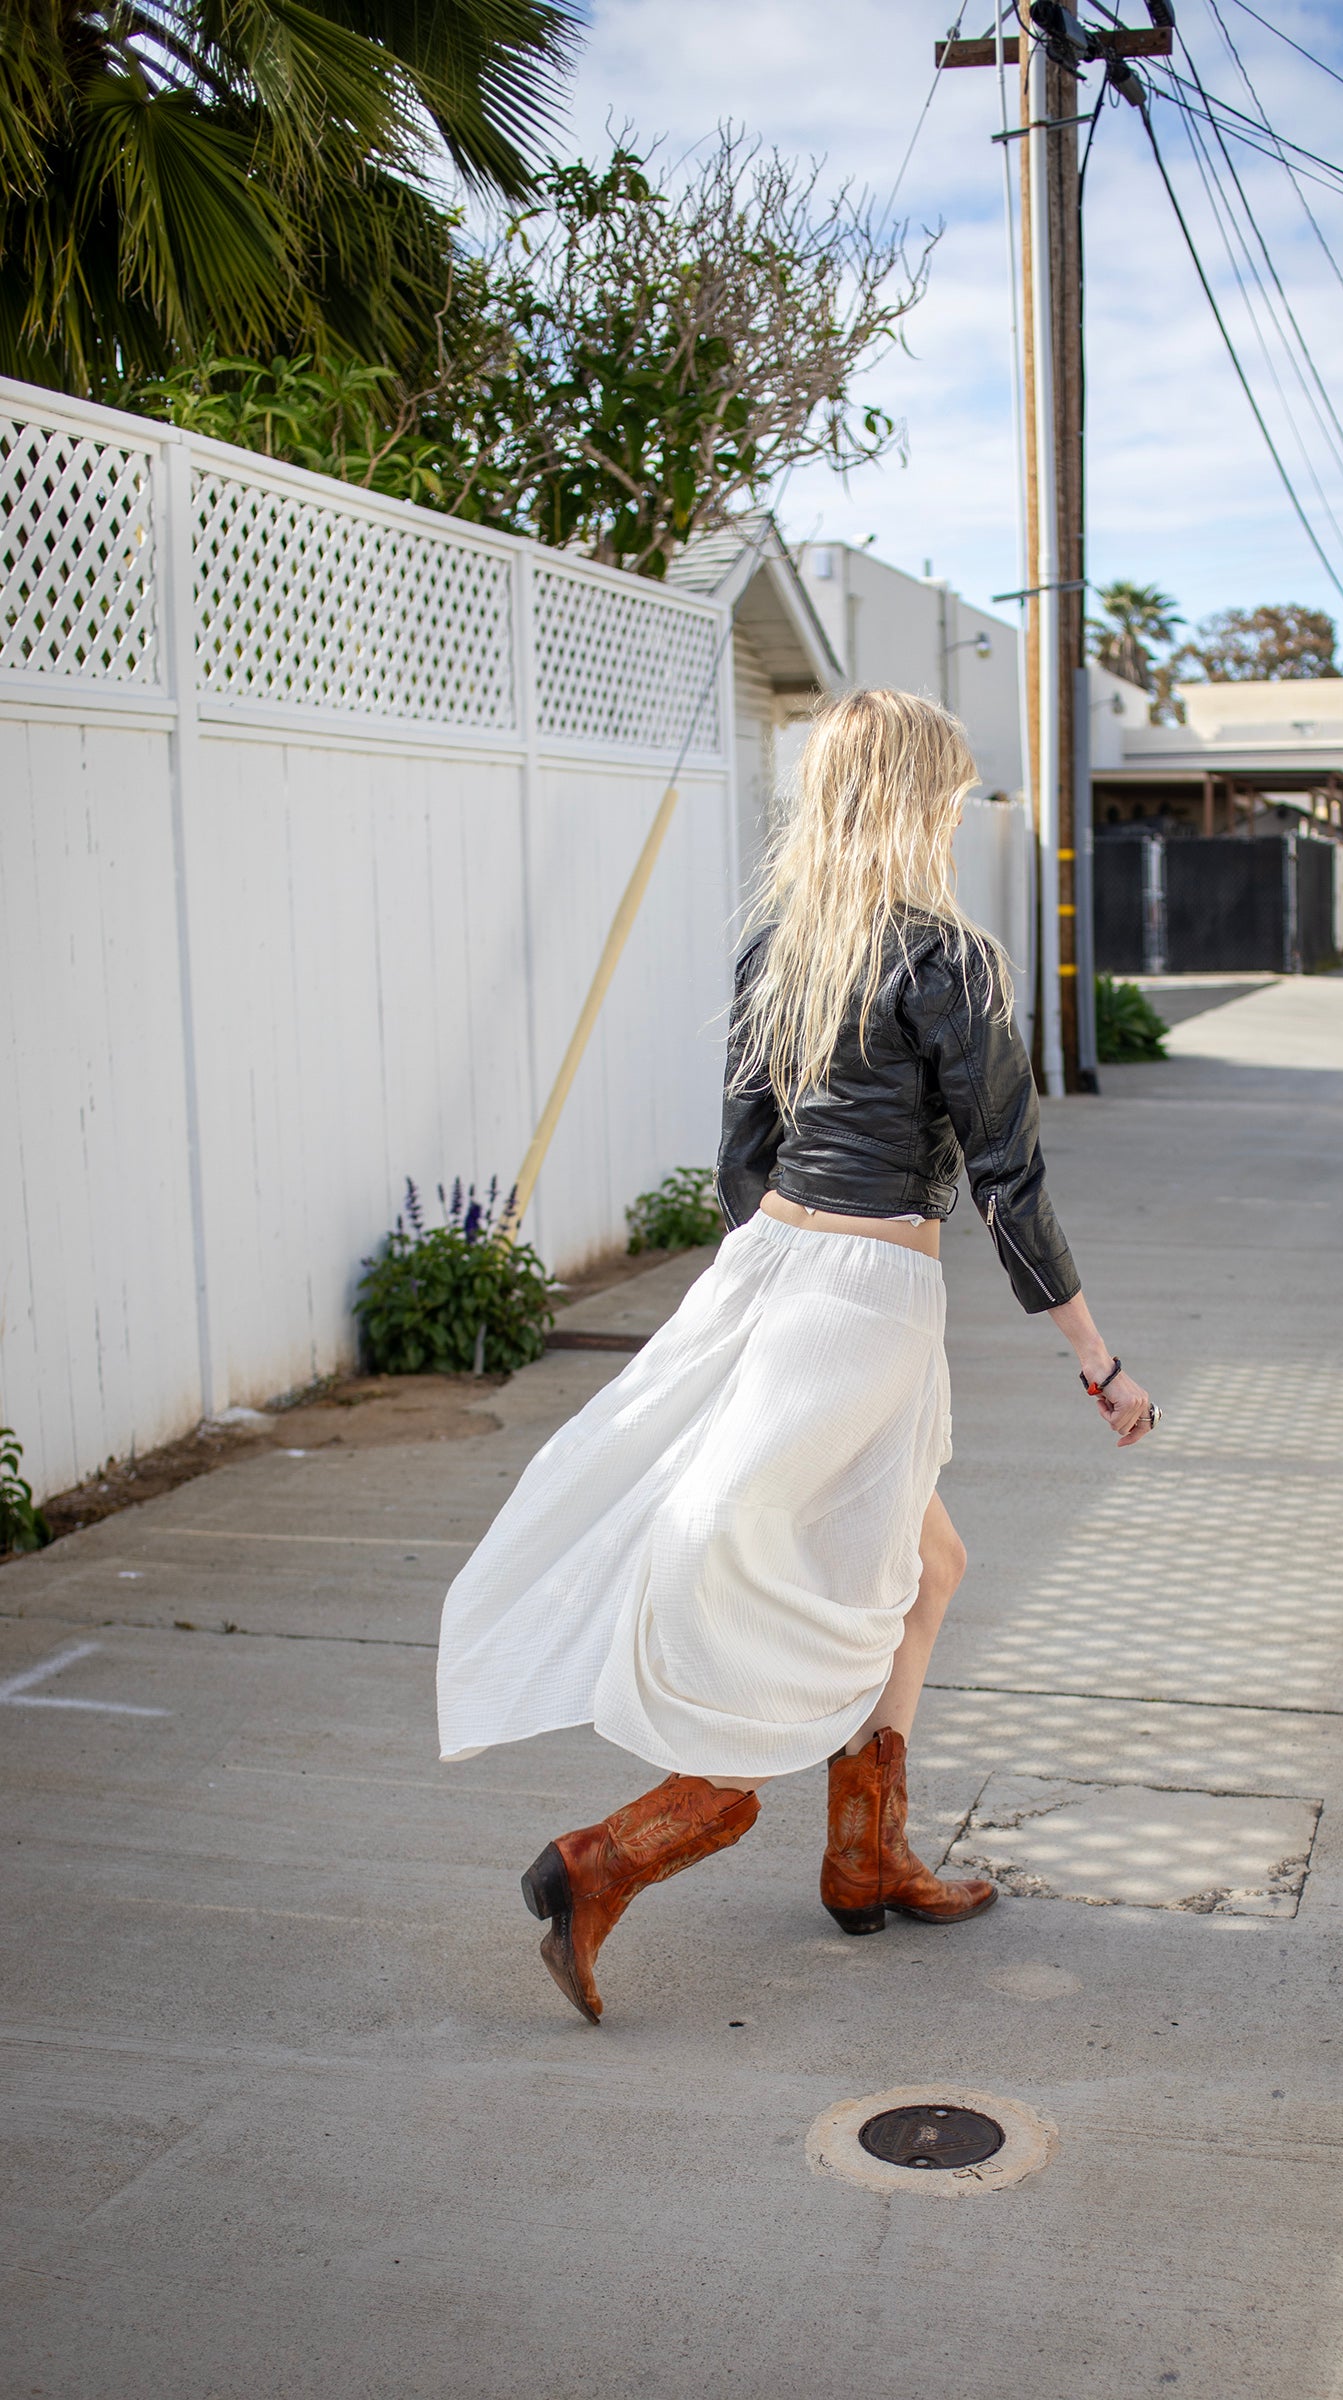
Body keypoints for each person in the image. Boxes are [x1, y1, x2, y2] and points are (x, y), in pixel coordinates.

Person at [436, 688, 1156, 2023]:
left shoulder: (784, 945)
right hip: (865, 1304)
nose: (956, 814)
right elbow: (1007, 1176)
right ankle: (614, 1856)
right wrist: (1098, 1362)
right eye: (949, 793)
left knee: (928, 1566)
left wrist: (761, 1295)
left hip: (771, 1270)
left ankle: (865, 1854)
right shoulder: (948, 959)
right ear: (917, 800)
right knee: (822, 1596)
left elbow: (742, 1158)